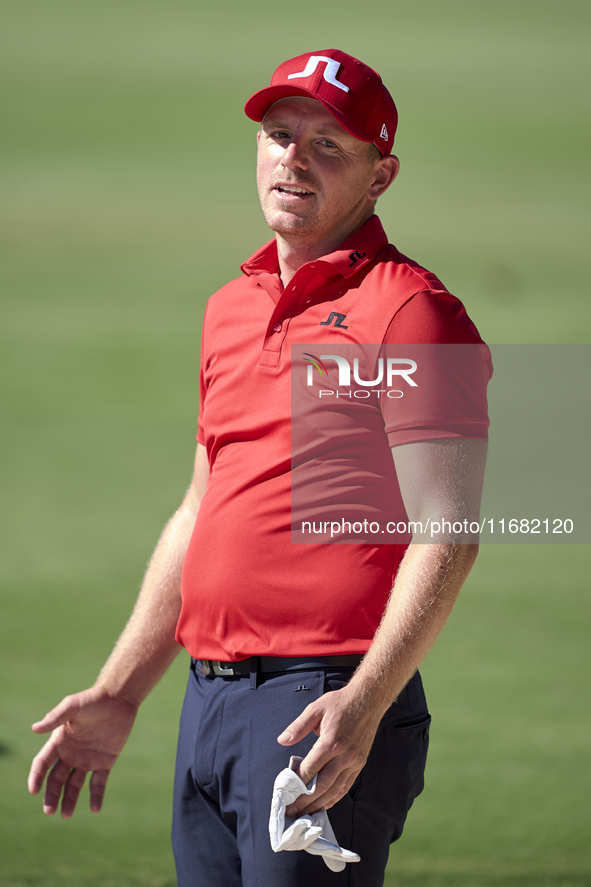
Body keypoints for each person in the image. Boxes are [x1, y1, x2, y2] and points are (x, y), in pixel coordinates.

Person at [28, 49, 491, 887]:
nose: (293, 158)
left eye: (328, 146)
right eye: (280, 135)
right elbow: (200, 509)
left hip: (321, 701)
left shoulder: (412, 311)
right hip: (208, 703)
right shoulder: (228, 307)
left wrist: (364, 703)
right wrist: (122, 691)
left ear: (379, 175)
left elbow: (448, 531)